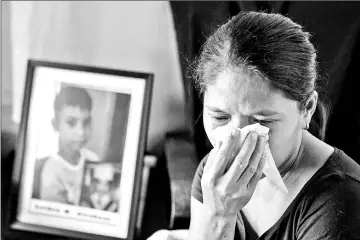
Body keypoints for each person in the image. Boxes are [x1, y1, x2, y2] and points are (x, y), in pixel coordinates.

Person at [183, 11, 360, 240]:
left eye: (261, 122)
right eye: (220, 117)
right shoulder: (213, 173)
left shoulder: (339, 205)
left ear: (307, 108)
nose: (235, 142)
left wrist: (219, 218)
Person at [35, 86, 99, 205]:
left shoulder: (93, 159)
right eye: (71, 123)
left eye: (86, 122)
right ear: (55, 125)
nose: (81, 132)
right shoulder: (51, 170)